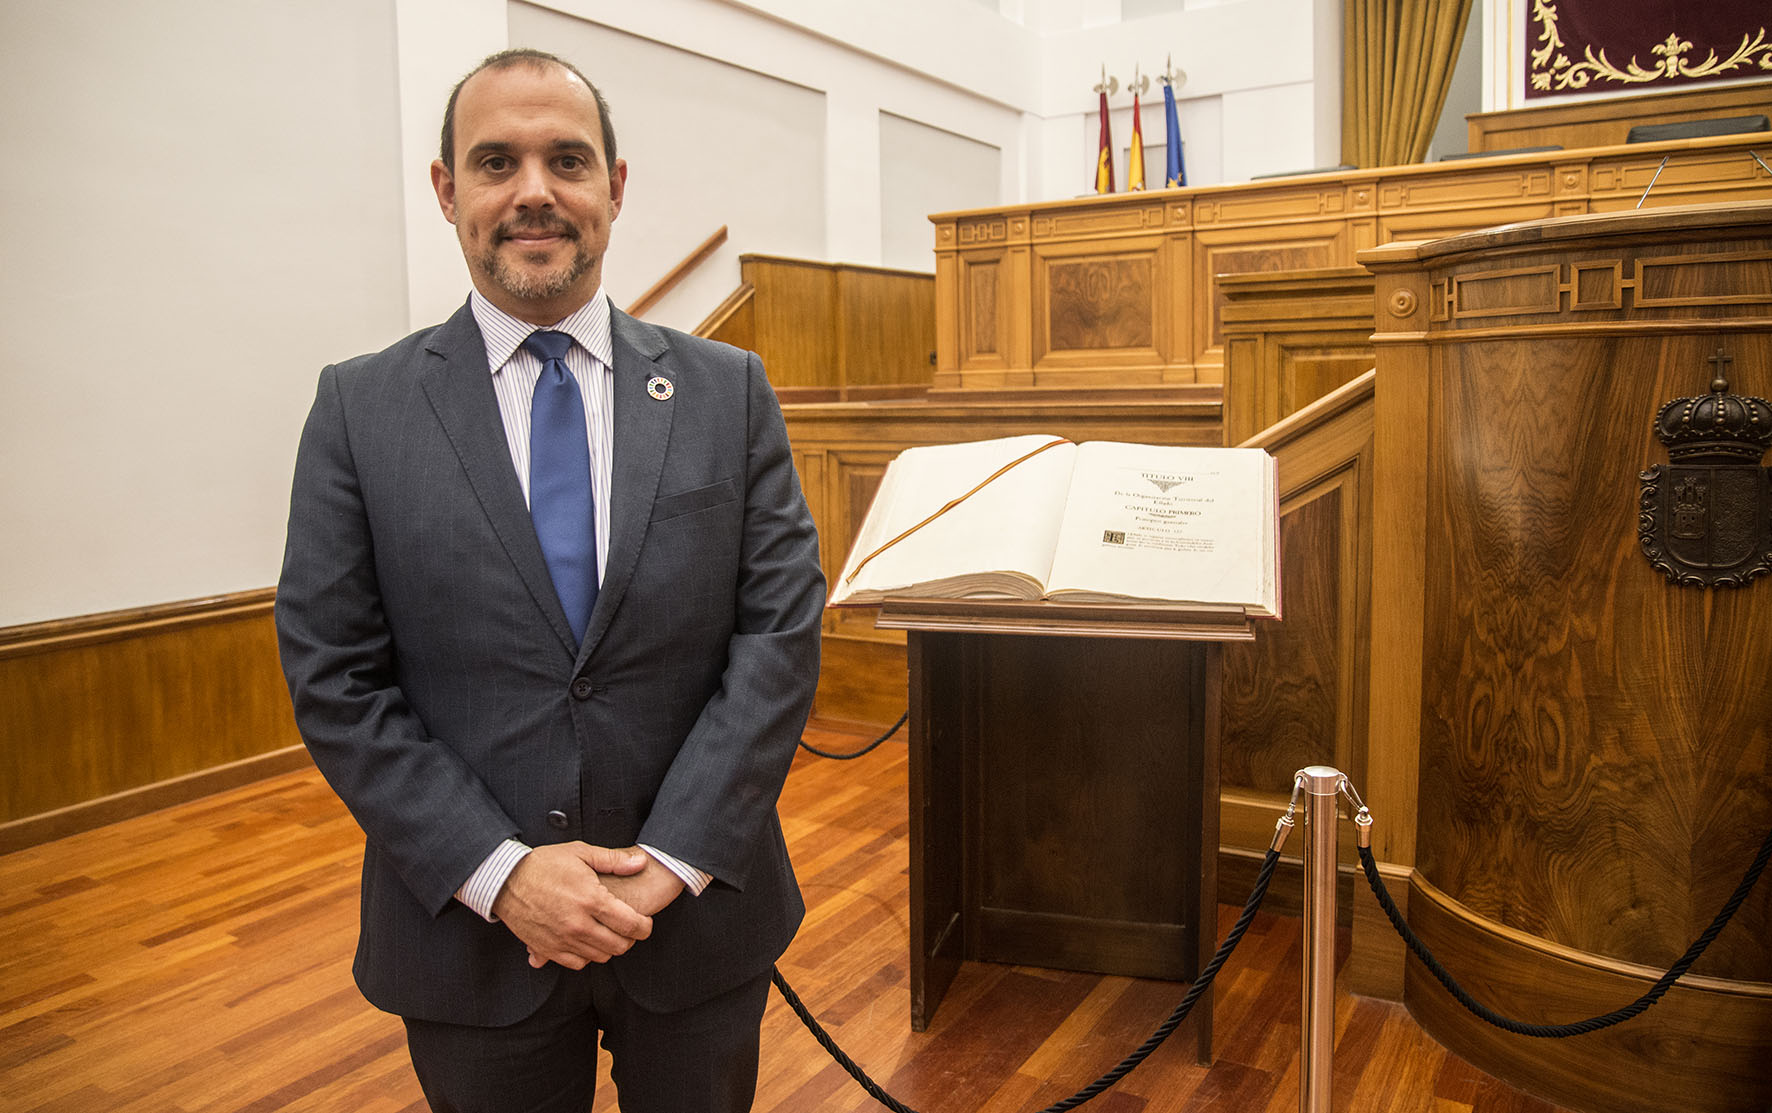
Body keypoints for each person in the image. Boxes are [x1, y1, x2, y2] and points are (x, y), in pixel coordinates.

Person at [274, 47, 824, 1113]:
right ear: (447, 192)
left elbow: (776, 640)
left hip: (696, 922)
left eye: (566, 159)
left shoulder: (728, 390)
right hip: (470, 943)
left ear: (615, 187)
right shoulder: (358, 409)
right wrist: (502, 873)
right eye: (495, 162)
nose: (534, 191)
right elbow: (336, 678)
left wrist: (670, 858)